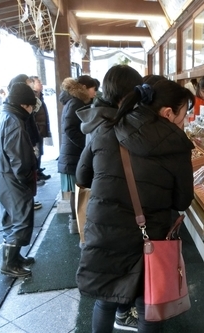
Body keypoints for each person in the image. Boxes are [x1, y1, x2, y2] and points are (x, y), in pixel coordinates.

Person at [75, 80, 195, 333]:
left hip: (104, 230)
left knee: (106, 299)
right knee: (148, 305)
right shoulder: (177, 144)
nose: (185, 120)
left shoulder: (107, 128)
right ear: (167, 113)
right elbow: (181, 202)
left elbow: (82, 177)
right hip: (149, 237)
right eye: (185, 113)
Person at [76, 65, 144, 330]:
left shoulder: (96, 119)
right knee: (133, 286)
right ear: (127, 96)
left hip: (103, 216)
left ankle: (120, 314)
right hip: (127, 216)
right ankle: (124, 313)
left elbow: (83, 175)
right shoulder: (121, 123)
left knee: (106, 292)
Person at [0, 82, 38, 278]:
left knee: (11, 218)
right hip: (11, 176)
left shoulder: (3, 115)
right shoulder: (14, 121)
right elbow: (20, 158)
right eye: (31, 106)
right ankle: (9, 264)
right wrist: (26, 179)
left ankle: (15, 258)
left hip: (1, 173)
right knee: (21, 219)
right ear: (24, 105)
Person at [57, 75, 97, 234]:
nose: (95, 92)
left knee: (77, 192)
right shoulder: (76, 102)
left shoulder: (73, 101)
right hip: (73, 156)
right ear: (85, 88)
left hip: (71, 155)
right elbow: (70, 128)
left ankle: (76, 224)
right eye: (94, 88)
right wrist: (86, 143)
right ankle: (77, 224)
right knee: (78, 191)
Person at [7, 74, 44, 210]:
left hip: (30, 140)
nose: (32, 85)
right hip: (15, 180)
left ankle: (29, 199)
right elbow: (19, 161)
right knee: (21, 223)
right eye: (29, 83)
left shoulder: (14, 113)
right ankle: (28, 200)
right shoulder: (16, 121)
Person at [29, 76, 52, 181]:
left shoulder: (39, 96)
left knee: (40, 152)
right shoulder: (31, 97)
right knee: (36, 152)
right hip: (36, 129)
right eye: (39, 82)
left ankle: (38, 170)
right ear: (32, 84)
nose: (41, 84)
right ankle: (36, 173)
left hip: (41, 129)